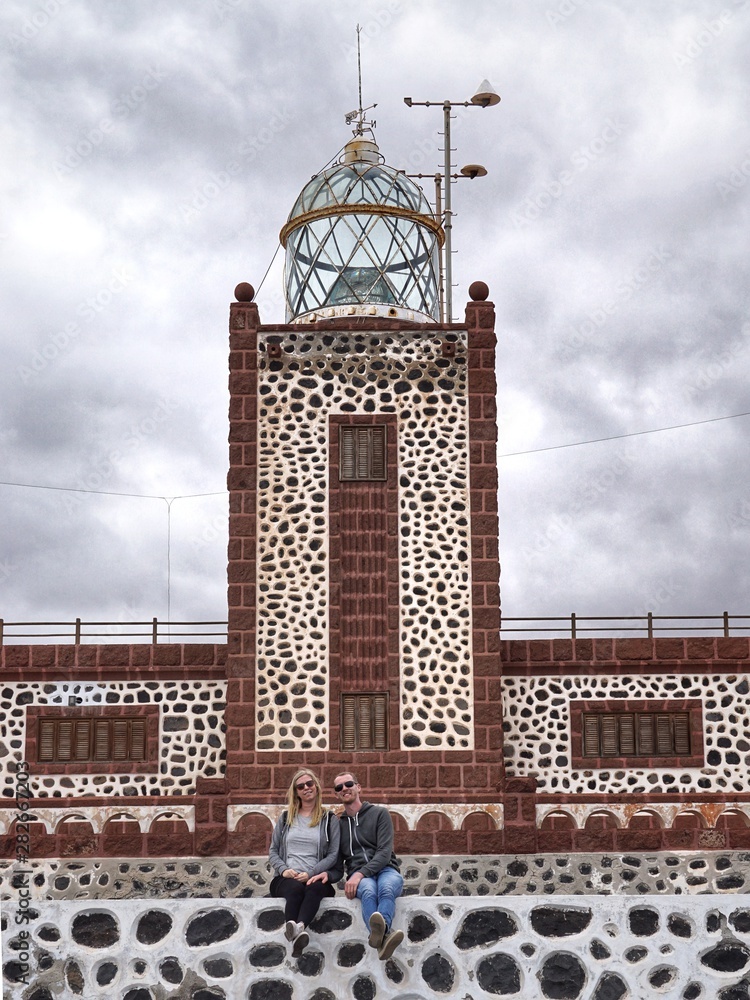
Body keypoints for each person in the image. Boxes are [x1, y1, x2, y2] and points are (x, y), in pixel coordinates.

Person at [269, 769, 341, 958]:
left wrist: (311, 873)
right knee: (295, 890)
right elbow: (273, 851)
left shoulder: (329, 819)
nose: (306, 788)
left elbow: (333, 854)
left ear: (316, 787)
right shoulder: (286, 818)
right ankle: (296, 931)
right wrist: (283, 870)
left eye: (309, 784)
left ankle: (298, 928)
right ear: (296, 792)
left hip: (315, 876)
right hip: (287, 878)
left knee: (315, 889)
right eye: (300, 786)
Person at [334, 771, 404, 961]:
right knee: (368, 891)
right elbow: (335, 858)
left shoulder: (379, 814)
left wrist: (359, 875)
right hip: (359, 874)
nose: (344, 789)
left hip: (386, 869)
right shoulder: (338, 825)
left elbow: (384, 852)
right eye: (339, 787)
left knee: (386, 887)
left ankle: (382, 934)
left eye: (348, 784)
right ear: (337, 794)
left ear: (358, 787)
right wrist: (320, 876)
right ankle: (385, 938)